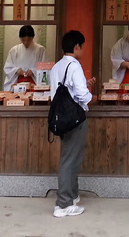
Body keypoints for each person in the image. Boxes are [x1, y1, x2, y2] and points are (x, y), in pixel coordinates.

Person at [49, 30, 95, 218]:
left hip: (62, 118)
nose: (83, 50)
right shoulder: (74, 66)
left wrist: (85, 85)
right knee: (70, 160)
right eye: (82, 46)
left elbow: (61, 92)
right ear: (77, 47)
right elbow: (82, 95)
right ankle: (63, 204)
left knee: (71, 157)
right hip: (75, 118)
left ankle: (72, 196)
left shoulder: (57, 66)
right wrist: (90, 95)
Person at [3, 25, 46, 91]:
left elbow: (45, 68)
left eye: (28, 40)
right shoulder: (14, 50)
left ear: (33, 37)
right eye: (23, 40)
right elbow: (7, 68)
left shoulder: (40, 50)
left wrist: (33, 71)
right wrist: (16, 70)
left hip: (34, 82)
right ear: (20, 38)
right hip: (17, 81)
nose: (26, 42)